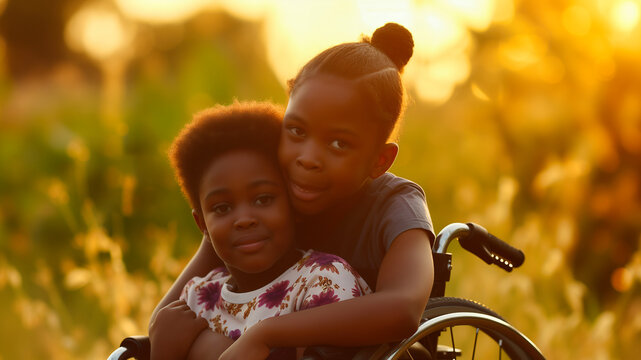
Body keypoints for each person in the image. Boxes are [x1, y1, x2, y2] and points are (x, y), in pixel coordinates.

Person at [150, 22, 435, 359]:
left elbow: (402, 309)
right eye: (297, 131)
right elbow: (167, 316)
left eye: (338, 143)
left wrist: (266, 334)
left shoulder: (396, 205)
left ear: (379, 160)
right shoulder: (266, 189)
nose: (307, 159)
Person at [149, 102, 371, 360]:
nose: (244, 220)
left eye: (263, 199)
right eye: (222, 208)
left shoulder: (323, 280)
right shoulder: (197, 298)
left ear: (293, 204)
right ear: (202, 225)